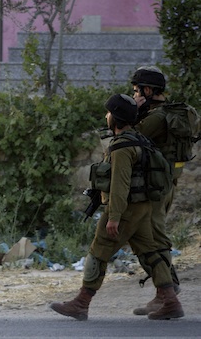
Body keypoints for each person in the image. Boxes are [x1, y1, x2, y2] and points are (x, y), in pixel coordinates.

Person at [50, 94, 184, 321]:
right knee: (151, 251)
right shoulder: (141, 140)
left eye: (109, 113)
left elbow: (120, 185)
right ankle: (170, 300)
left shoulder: (122, 147)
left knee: (98, 251)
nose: (106, 116)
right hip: (143, 209)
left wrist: (114, 217)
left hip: (126, 210)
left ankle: (81, 303)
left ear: (116, 118)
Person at [130, 66, 181, 315]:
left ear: (148, 90)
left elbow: (128, 138)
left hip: (155, 187)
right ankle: (164, 294)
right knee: (151, 236)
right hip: (169, 182)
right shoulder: (175, 112)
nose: (136, 94)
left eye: (137, 90)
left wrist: (134, 111)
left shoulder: (155, 117)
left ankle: (168, 291)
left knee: (151, 238)